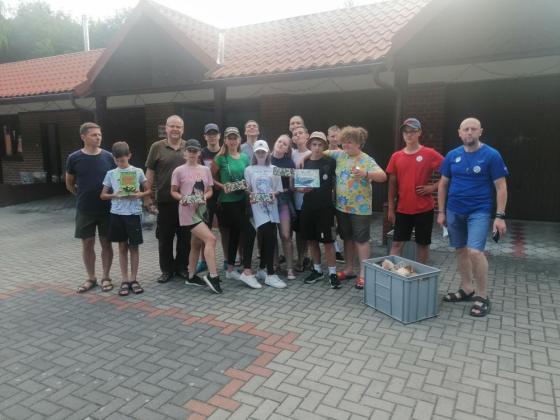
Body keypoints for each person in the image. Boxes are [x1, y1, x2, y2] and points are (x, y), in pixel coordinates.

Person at [438, 117, 508, 317]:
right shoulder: (452, 155)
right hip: (454, 210)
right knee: (460, 250)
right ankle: (467, 288)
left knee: (475, 252)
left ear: (480, 132)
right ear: (459, 133)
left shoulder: (491, 155)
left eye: (473, 129)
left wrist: (499, 216)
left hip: (479, 211)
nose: (469, 132)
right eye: (466, 129)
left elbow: (501, 187)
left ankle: (482, 296)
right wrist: (441, 212)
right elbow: (443, 184)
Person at [323, 126, 387, 289]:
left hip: (360, 209)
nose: (345, 145)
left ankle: (364, 274)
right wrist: (305, 156)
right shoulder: (340, 155)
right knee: (347, 239)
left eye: (350, 142)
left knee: (362, 240)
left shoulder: (367, 159)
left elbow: (383, 176)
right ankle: (349, 269)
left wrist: (366, 174)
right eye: (344, 142)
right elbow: (320, 152)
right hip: (342, 207)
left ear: (359, 143)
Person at [65, 122, 115, 293]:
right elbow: (69, 183)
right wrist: (80, 195)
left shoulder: (109, 157)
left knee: (106, 243)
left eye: (99, 134)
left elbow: (116, 180)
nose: (98, 137)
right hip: (85, 209)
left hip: (107, 209)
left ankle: (106, 277)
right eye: (94, 135)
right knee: (87, 244)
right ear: (83, 137)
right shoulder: (74, 158)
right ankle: (91, 278)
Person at [386, 118, 444, 264]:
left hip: (424, 208)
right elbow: (392, 184)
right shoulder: (396, 156)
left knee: (422, 244)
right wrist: (391, 209)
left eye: (412, 131)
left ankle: (420, 274)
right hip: (402, 209)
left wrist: (432, 187)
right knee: (396, 244)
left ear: (419, 133)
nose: (409, 134)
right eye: (406, 131)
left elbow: (450, 173)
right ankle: (392, 274)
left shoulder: (429, 153)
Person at [171, 139, 222, 294]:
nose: (192, 153)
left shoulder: (205, 170)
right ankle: (213, 276)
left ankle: (191, 276)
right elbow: (173, 191)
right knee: (211, 239)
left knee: (196, 243)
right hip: (188, 213)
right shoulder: (178, 171)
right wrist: (182, 198)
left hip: (202, 211)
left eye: (195, 151)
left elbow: (210, 190)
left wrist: (205, 197)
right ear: (185, 152)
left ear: (199, 152)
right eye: (190, 150)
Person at [145, 115, 190, 284]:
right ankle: (166, 270)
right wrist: (147, 197)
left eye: (179, 126)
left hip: (186, 202)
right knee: (165, 239)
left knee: (185, 238)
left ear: (183, 129)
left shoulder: (188, 146)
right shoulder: (157, 147)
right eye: (172, 126)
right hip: (164, 202)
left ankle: (182, 267)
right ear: (166, 128)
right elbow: (150, 172)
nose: (175, 129)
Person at [100, 141, 150, 296]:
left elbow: (148, 190)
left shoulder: (137, 171)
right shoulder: (111, 173)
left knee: (134, 247)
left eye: (123, 160)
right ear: (114, 159)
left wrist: (139, 194)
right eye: (117, 161)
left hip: (133, 214)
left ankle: (134, 279)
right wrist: (114, 195)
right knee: (122, 247)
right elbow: (102, 195)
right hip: (117, 214)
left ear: (129, 156)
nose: (120, 163)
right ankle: (124, 280)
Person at [212, 127, 259, 288]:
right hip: (227, 202)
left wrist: (249, 188)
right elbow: (210, 179)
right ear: (225, 140)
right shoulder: (220, 158)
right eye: (229, 138)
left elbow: (249, 176)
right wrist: (222, 186)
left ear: (239, 140)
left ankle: (230, 269)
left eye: (235, 138)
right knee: (250, 232)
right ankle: (247, 271)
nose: (232, 141)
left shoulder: (245, 157)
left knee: (235, 233)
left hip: (242, 200)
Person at [300, 132, 341, 289]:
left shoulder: (330, 161)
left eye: (320, 144)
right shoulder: (304, 162)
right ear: (309, 145)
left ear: (324, 146)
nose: (317, 147)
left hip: (326, 208)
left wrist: (336, 204)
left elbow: (335, 184)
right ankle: (317, 270)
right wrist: (302, 189)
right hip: (308, 207)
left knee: (328, 242)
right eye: (314, 144)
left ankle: (332, 273)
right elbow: (298, 185)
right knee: (312, 240)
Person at [245, 140, 286, 288]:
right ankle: (270, 274)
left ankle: (262, 269)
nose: (261, 154)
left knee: (269, 238)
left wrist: (273, 194)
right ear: (255, 153)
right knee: (269, 237)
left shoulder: (274, 168)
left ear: (268, 152)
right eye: (258, 151)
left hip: (272, 207)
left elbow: (278, 189)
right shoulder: (249, 169)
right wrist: (251, 195)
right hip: (258, 209)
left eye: (263, 151)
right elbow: (248, 189)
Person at [195, 123, 224, 274]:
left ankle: (228, 260)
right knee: (204, 229)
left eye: (215, 134)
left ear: (219, 136)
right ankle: (203, 261)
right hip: (207, 196)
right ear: (205, 137)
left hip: (224, 194)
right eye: (209, 134)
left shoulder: (224, 152)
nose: (212, 137)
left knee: (226, 229)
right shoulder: (200, 154)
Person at [270, 134, 296, 280]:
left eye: (285, 144)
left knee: (286, 235)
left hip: (283, 201)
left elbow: (292, 187)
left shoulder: (289, 162)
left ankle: (290, 268)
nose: (281, 144)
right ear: (275, 143)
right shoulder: (266, 159)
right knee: (271, 234)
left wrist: (297, 183)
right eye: (279, 141)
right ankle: (274, 265)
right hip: (268, 201)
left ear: (287, 149)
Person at [291, 125, 312, 271]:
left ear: (307, 135)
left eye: (300, 133)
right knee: (298, 232)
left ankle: (309, 257)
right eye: (295, 134)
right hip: (296, 199)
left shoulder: (313, 153)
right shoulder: (291, 154)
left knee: (309, 231)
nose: (298, 135)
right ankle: (301, 257)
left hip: (310, 199)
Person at [327, 124, 345, 262]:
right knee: (331, 221)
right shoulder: (324, 153)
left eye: (337, 136)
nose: (334, 139)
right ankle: (336, 249)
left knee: (341, 221)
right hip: (328, 191)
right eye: (332, 136)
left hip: (341, 190)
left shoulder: (344, 153)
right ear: (328, 137)